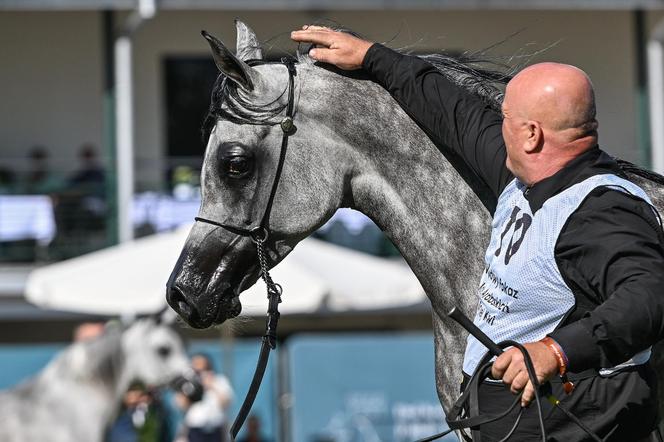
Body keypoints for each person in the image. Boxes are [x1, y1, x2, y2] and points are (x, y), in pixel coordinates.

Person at [291, 27, 664, 441]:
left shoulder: (602, 210)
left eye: (506, 116)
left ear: (532, 134)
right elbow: (454, 111)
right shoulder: (524, 173)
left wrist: (556, 351)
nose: (497, 125)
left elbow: (649, 295)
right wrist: (371, 56)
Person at [175, 353, 234, 442]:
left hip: (216, 429)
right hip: (195, 428)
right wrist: (192, 391)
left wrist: (212, 386)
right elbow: (182, 405)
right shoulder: (188, 383)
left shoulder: (219, 380)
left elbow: (226, 402)